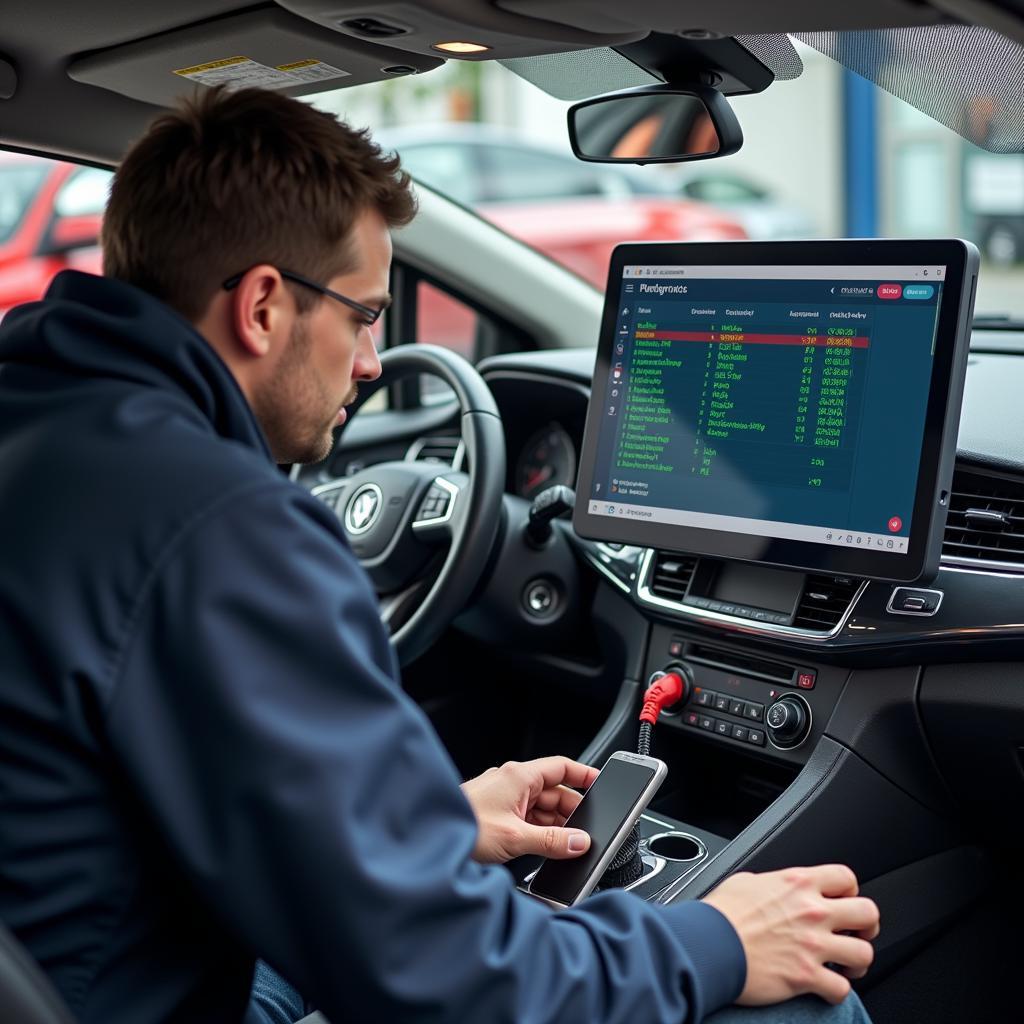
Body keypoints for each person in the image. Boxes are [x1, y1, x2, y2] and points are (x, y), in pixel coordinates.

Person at [0, 86, 878, 1024]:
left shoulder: (43, 426)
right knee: (798, 1004)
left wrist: (430, 830)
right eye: (366, 315)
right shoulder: (215, 527)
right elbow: (449, 981)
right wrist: (720, 940)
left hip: (91, 969)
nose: (373, 362)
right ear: (262, 307)